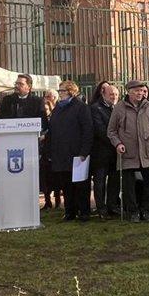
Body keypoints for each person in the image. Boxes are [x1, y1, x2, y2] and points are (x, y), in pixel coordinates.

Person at [107, 80, 149, 223]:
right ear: (129, 92)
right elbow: (111, 130)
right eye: (137, 91)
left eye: (142, 90)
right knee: (129, 186)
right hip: (127, 153)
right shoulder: (119, 108)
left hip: (147, 152)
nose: (140, 93)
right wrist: (118, 143)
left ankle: (146, 210)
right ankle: (133, 212)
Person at [48, 80, 94, 222]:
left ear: (70, 91)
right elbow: (52, 129)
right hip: (61, 153)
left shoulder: (80, 107)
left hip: (77, 153)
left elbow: (88, 130)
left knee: (81, 185)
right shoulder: (58, 108)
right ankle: (70, 212)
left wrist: (84, 151)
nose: (59, 93)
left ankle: (84, 212)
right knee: (66, 185)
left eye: (62, 91)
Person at [90, 82, 120, 220]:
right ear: (103, 94)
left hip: (116, 152)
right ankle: (101, 208)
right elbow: (100, 130)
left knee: (114, 181)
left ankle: (112, 206)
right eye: (111, 94)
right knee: (100, 182)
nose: (113, 97)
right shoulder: (95, 108)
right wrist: (116, 142)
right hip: (101, 152)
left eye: (116, 94)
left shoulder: (119, 108)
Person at [41, 88, 59, 209]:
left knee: (56, 178)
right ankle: (47, 202)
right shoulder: (41, 119)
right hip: (44, 153)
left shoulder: (56, 117)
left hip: (54, 151)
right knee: (45, 178)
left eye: (49, 96)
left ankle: (58, 201)